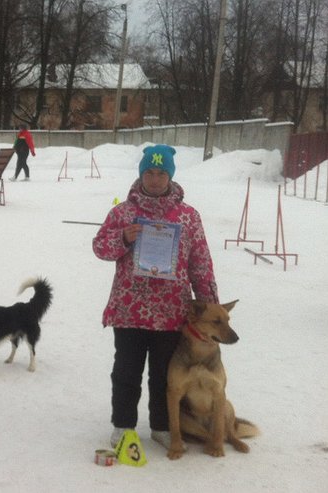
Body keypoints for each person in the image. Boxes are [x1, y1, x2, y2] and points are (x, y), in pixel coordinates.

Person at [92, 144, 218, 450]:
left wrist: (209, 305)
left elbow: (200, 262)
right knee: (126, 371)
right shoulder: (123, 212)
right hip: (129, 309)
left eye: (162, 173)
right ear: (141, 173)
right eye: (149, 171)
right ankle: (123, 425)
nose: (155, 178)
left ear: (171, 176)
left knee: (165, 375)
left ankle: (162, 425)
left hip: (171, 312)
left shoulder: (188, 217)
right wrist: (123, 237)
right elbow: (100, 247)